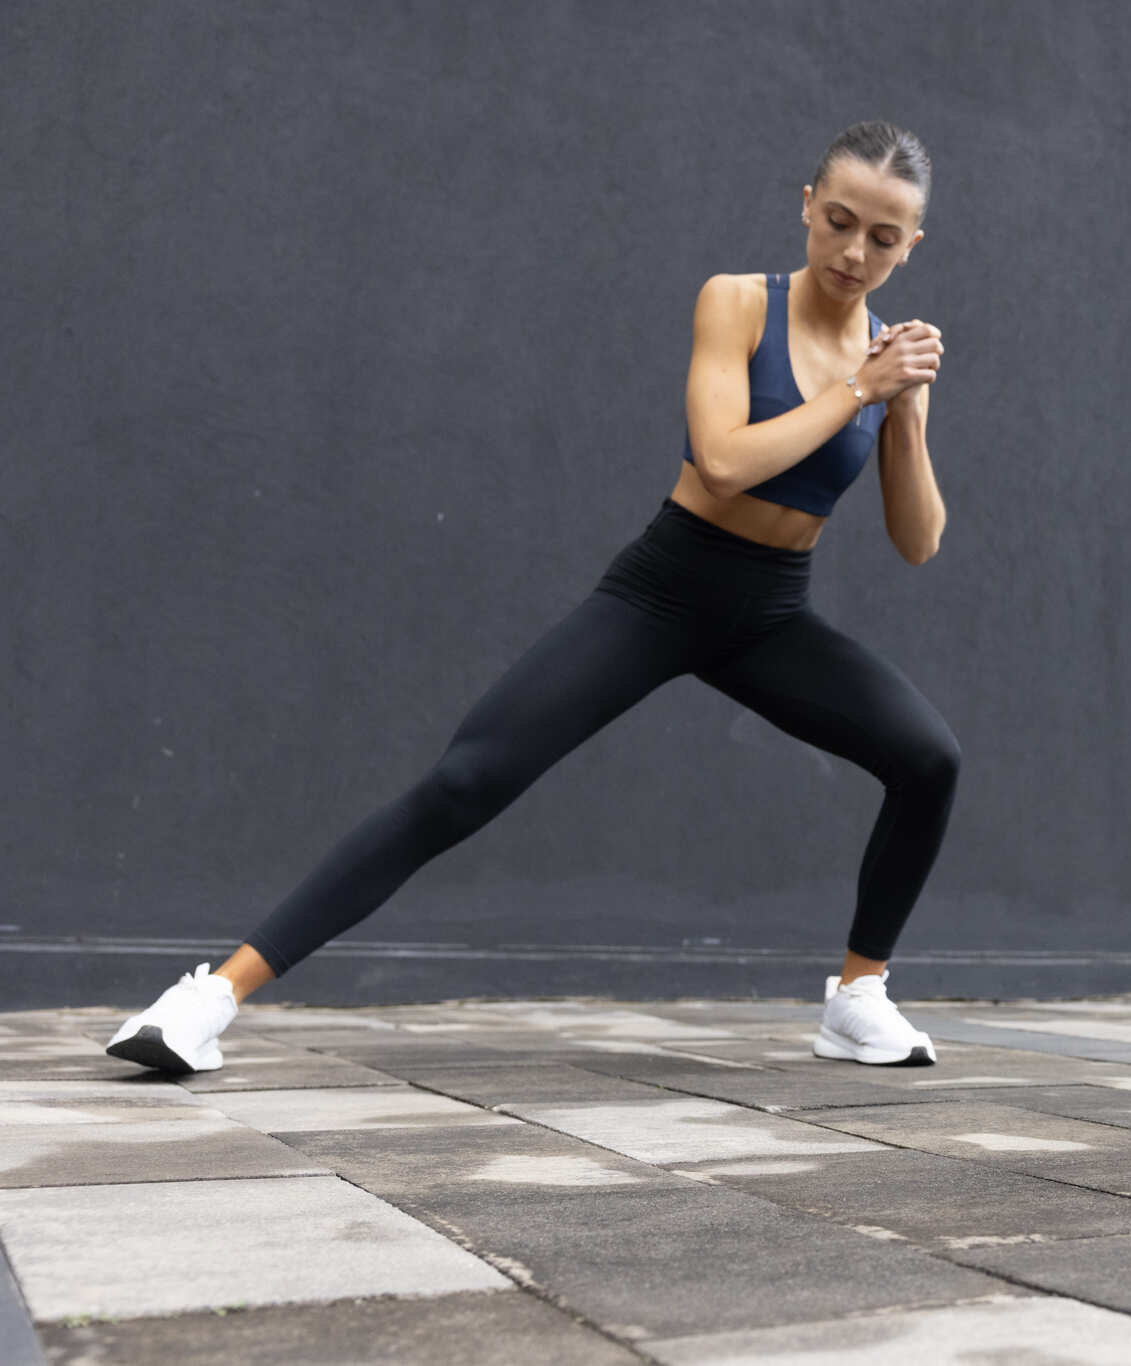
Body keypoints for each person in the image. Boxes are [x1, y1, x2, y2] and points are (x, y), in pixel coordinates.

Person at [108, 121, 960, 1073]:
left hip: (769, 612)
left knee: (929, 759)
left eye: (882, 238)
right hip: (666, 588)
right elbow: (721, 464)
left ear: (911, 243)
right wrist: (856, 389)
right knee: (466, 780)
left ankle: (859, 994)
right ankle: (206, 1000)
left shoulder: (891, 360)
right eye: (838, 221)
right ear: (806, 205)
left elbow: (918, 542)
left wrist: (908, 411)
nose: (853, 251)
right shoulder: (739, 303)